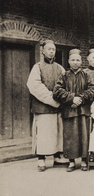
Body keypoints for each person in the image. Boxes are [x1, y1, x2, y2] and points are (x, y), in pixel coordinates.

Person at [53, 49, 94, 172]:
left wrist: (81, 99)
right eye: (73, 60)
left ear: (81, 61)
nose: (75, 62)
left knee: (83, 136)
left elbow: (93, 90)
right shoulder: (64, 75)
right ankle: (71, 161)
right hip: (69, 111)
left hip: (83, 111)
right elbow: (57, 91)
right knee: (70, 136)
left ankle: (83, 160)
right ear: (68, 61)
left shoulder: (87, 75)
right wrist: (72, 98)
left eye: (78, 60)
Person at [27, 40, 66, 172]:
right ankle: (41, 159)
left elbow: (66, 85)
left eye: (53, 49)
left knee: (57, 132)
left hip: (59, 107)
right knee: (44, 134)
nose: (51, 51)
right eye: (48, 49)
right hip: (43, 107)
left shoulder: (60, 68)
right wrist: (53, 100)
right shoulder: (37, 67)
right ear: (43, 51)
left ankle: (57, 157)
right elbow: (34, 86)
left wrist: (62, 100)